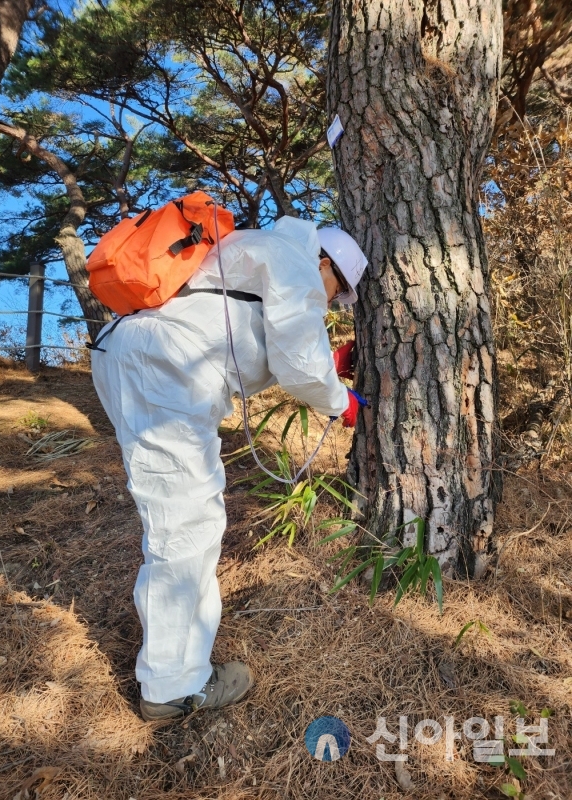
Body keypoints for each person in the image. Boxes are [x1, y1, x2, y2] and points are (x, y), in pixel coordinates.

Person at [91, 215, 368, 722]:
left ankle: (172, 666)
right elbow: (299, 367)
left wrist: (329, 361)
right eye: (337, 291)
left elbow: (245, 341)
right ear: (325, 263)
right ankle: (172, 689)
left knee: (172, 511)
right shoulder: (296, 261)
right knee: (186, 522)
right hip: (166, 368)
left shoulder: (252, 249)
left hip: (130, 354)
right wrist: (342, 403)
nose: (330, 302)